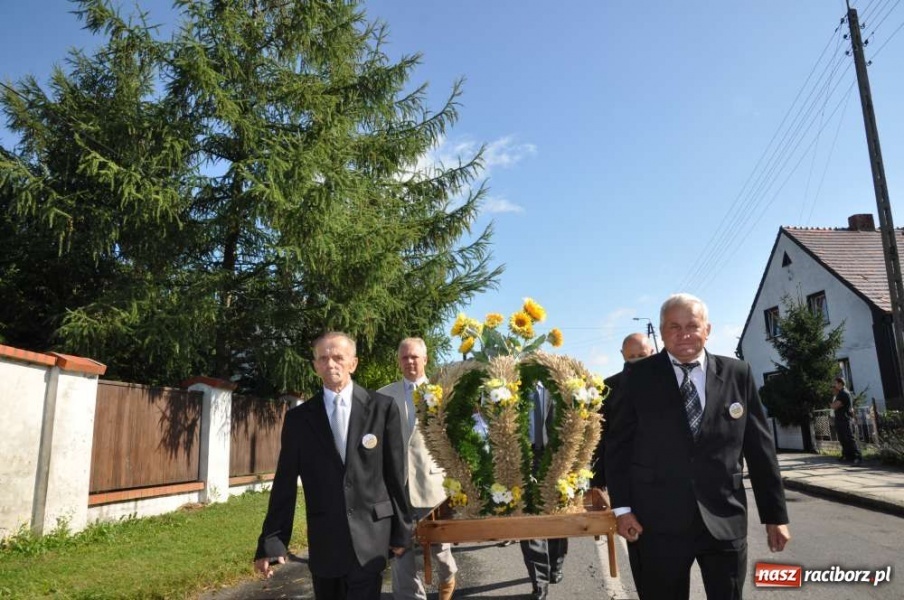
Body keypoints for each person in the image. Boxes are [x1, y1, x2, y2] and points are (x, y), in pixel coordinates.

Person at [605, 293, 791, 600]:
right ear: (662, 332)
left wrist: (775, 516)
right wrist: (622, 510)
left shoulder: (738, 374)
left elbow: (760, 451)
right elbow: (618, 448)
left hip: (724, 519)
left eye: (692, 325)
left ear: (708, 329)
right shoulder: (637, 377)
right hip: (656, 524)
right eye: (674, 327)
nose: (684, 334)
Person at [254, 331, 413, 600]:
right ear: (315, 366)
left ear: (353, 363)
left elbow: (394, 475)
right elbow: (284, 483)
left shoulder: (382, 409)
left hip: (371, 538)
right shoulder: (299, 419)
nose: (330, 364)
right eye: (323, 358)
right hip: (325, 540)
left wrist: (401, 531)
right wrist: (272, 540)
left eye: (338, 357)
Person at [377, 337, 458, 600]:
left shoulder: (443, 393)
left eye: (414, 356)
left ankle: (448, 575)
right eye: (405, 357)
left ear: (425, 359)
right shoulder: (383, 395)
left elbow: (454, 439)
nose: (410, 361)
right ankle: (410, 595)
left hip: (432, 482)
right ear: (399, 361)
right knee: (399, 547)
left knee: (438, 545)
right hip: (396, 484)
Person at [520, 381, 567, 600]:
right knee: (528, 519)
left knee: (555, 513)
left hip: (554, 458)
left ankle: (555, 564)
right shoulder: (513, 385)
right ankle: (539, 583)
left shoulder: (557, 385)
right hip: (522, 458)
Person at [591, 333, 656, 490]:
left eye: (642, 355)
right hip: (622, 474)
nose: (637, 360)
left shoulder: (668, 383)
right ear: (622, 355)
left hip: (661, 474)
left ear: (652, 352)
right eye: (631, 356)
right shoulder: (608, 388)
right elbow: (600, 435)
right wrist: (598, 481)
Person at [831, 376, 862, 464]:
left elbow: (834, 406)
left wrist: (835, 405)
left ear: (840, 383)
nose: (834, 385)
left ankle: (857, 456)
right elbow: (835, 406)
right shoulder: (841, 393)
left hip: (844, 418)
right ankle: (848, 455)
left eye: (836, 383)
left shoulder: (843, 393)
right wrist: (835, 405)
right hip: (840, 418)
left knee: (848, 437)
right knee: (842, 438)